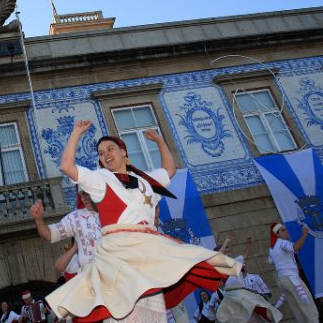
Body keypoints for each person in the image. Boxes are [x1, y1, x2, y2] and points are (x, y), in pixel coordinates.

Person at [46, 121, 241, 323]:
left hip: (149, 250)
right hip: (119, 252)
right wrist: (77, 132)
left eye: (110, 149)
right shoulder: (100, 179)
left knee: (153, 310)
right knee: (123, 309)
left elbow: (169, 170)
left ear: (123, 152)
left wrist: (159, 141)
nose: (105, 154)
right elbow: (66, 166)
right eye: (101, 153)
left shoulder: (144, 180)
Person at [30, 187, 101, 272]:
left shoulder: (118, 213)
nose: (83, 198)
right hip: (91, 278)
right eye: (81, 195)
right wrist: (38, 219)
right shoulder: (75, 218)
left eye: (85, 193)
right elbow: (48, 235)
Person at [215, 236, 282, 322]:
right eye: (224, 250)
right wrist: (226, 242)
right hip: (232, 294)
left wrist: (249, 244)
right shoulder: (218, 266)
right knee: (247, 316)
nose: (226, 251)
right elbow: (218, 255)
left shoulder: (234, 262)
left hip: (241, 292)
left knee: (262, 311)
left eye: (226, 250)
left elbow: (244, 255)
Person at [269, 223, 319, 322]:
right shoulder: (282, 243)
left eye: (286, 229)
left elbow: (270, 261)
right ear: (277, 234)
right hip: (291, 279)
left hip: (282, 281)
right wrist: (305, 234)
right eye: (283, 230)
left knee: (298, 311)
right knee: (309, 309)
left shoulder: (272, 248)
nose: (286, 231)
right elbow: (295, 248)